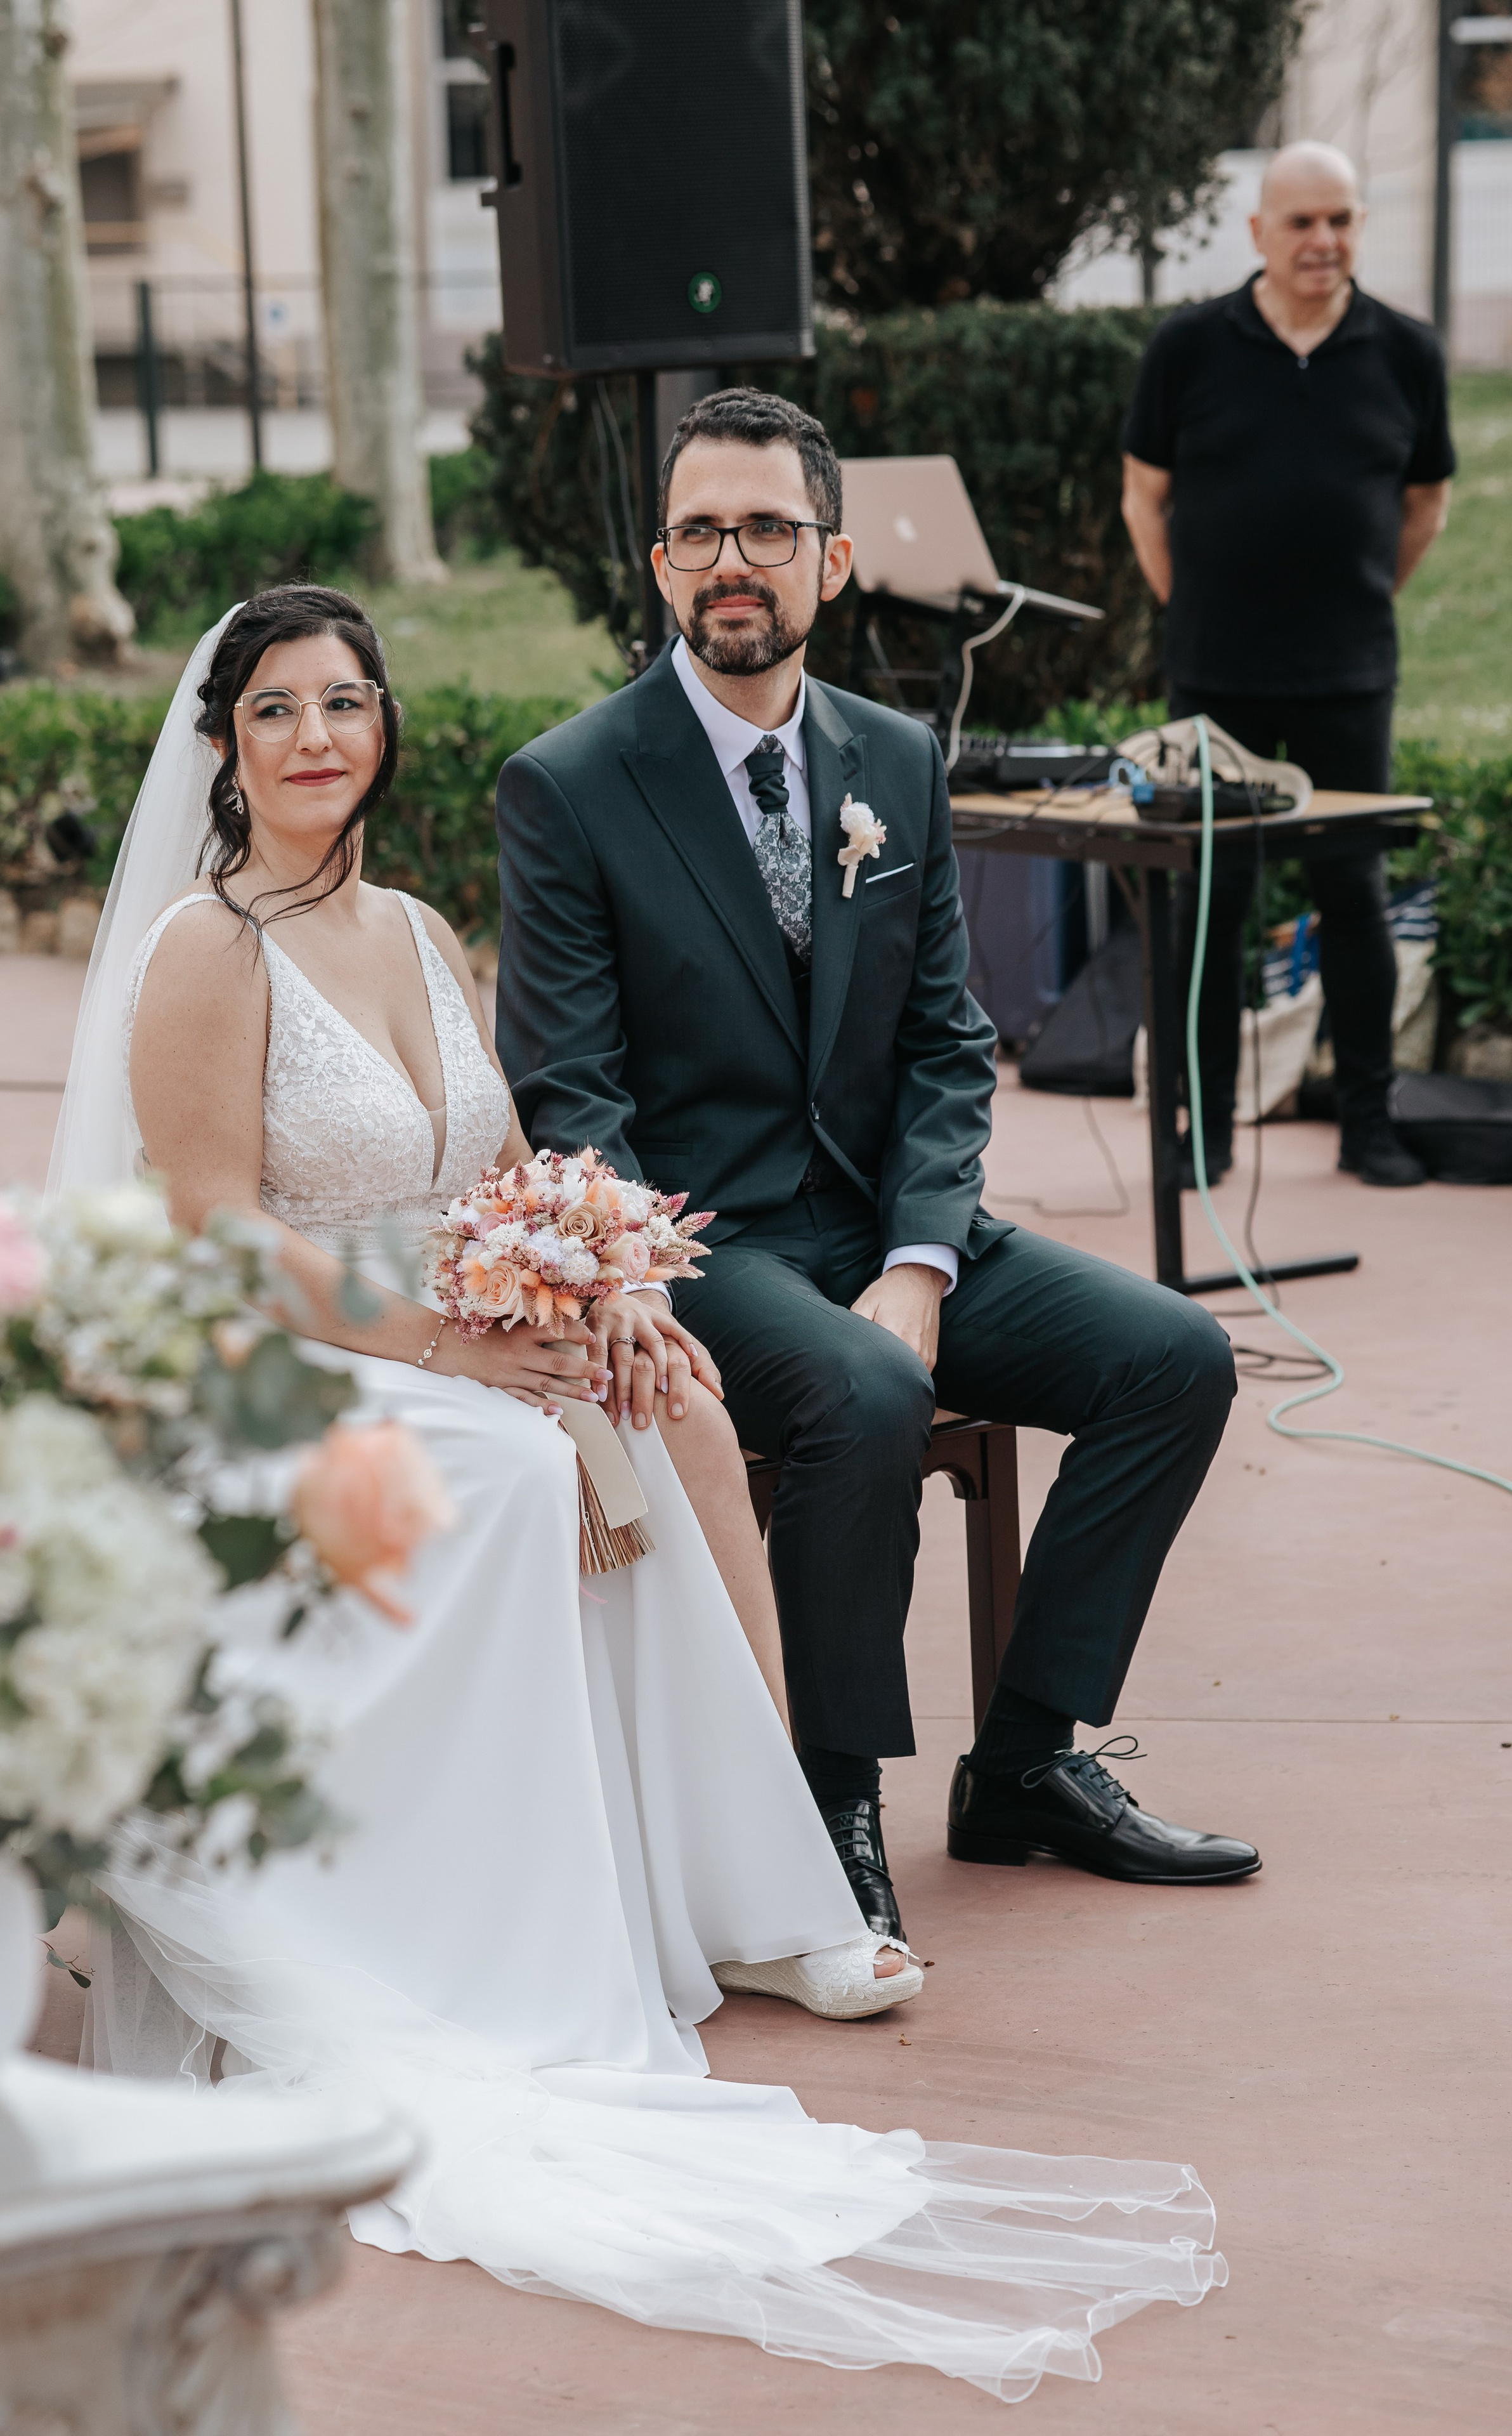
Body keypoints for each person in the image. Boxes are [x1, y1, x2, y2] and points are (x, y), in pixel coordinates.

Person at [48, 584, 1228, 2398]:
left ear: (383, 727)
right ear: (224, 745)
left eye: (343, 704)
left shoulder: (417, 927)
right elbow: (219, 1231)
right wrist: (456, 1348)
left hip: (460, 1318)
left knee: (667, 1412)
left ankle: (757, 1896)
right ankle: (525, 1937)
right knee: (525, 1473)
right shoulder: (205, 950)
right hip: (288, 1357)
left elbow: (506, 1166)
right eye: (274, 710)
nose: (313, 739)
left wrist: (602, 1289)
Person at [495, 388, 1259, 1953]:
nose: (732, 560)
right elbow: (570, 1092)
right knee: (862, 1387)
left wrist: (920, 1260)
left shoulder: (895, 756)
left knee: (1174, 1357)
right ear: (659, 562)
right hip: (704, 1241)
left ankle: (1025, 1760)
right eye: (700, 531)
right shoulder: (568, 783)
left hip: (889, 1225)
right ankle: (825, 1799)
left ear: (831, 561)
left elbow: (943, 1039)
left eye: (766, 529)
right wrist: (638, 1276)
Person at [1121, 140, 1455, 1190]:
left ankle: (1369, 1127)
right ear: (1258, 231)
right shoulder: (1188, 347)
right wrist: (1190, 607)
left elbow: (1426, 503)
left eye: (1340, 220)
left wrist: (1362, 598)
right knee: (1213, 904)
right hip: (1214, 676)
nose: (1323, 240)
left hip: (1349, 674)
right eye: (1302, 221)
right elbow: (1143, 495)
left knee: (1353, 893)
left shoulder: (1407, 352)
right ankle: (1206, 1133)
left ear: (1360, 228)